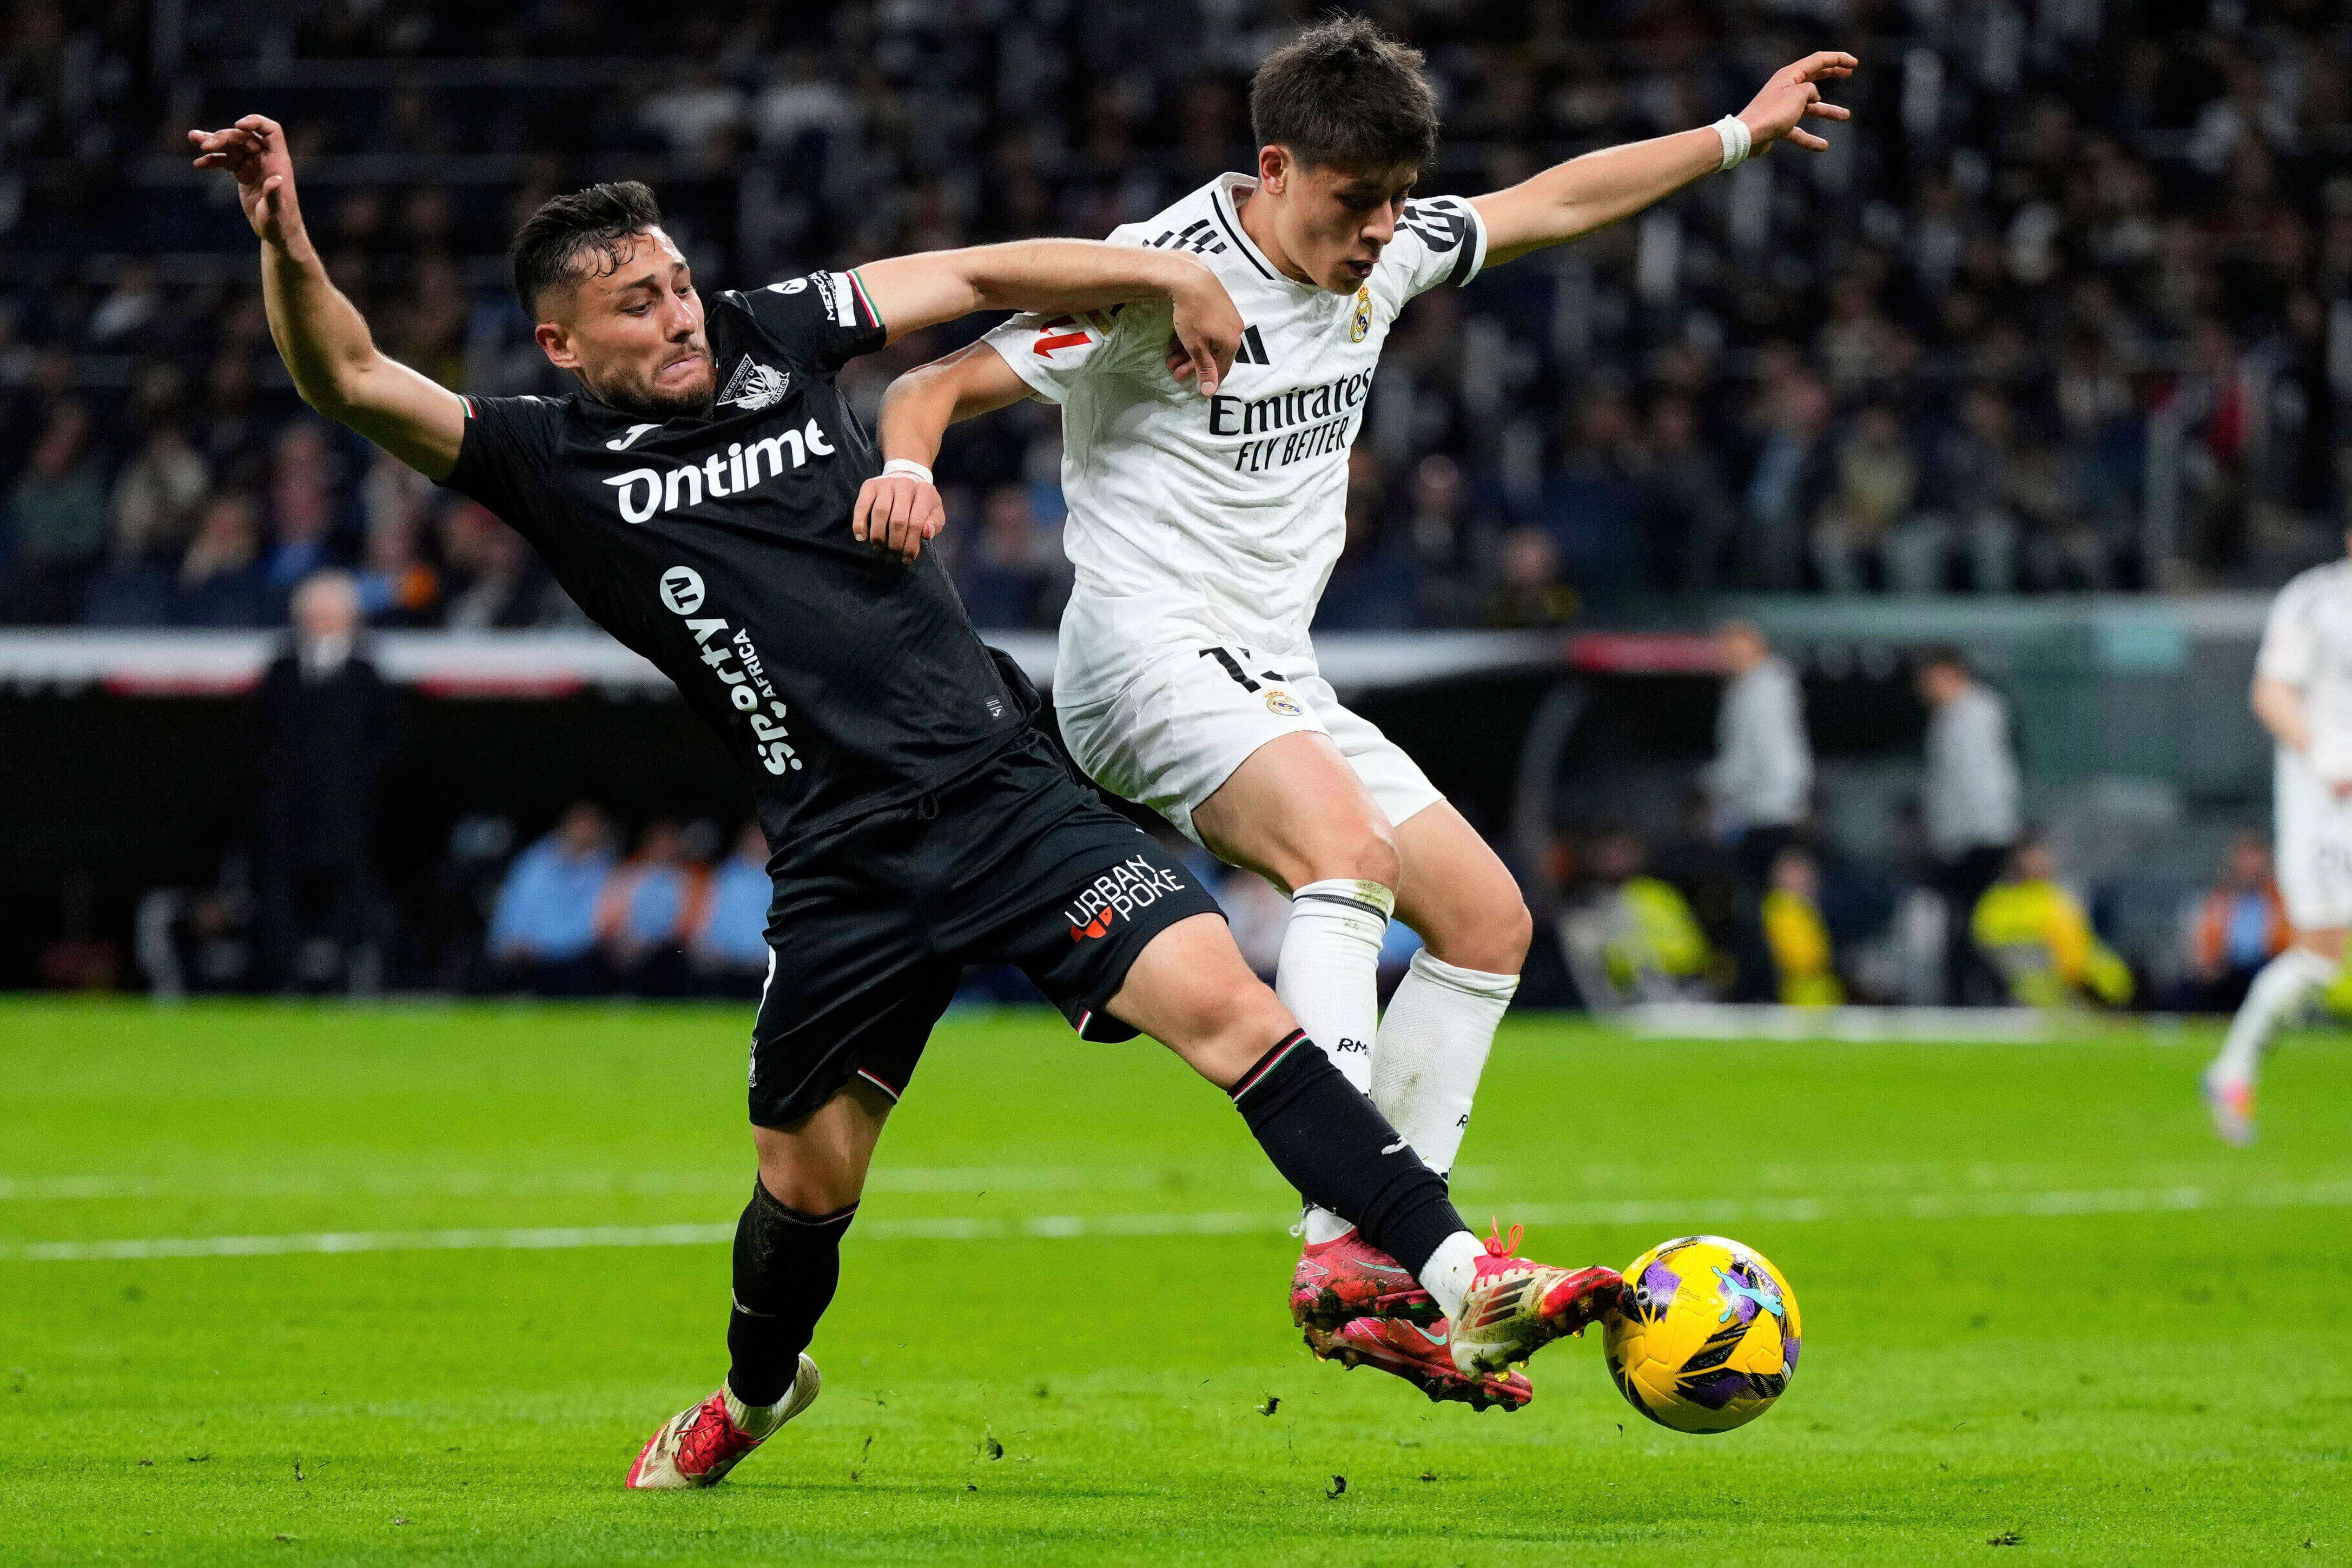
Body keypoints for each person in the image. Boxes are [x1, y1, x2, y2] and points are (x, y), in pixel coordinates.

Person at [193, 114, 1622, 1489]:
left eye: (678, 282)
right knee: (804, 1183)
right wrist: (285, 238)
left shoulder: (774, 330)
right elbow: (353, 378)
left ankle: (1461, 1274)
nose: (681, 315)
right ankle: (756, 1391)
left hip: (1006, 792)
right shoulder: (545, 460)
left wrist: (1164, 273)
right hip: (841, 860)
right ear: (562, 342)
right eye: (638, 304)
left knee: (1235, 1013)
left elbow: (981, 273)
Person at [865, 18, 1851, 1400]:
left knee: (1487, 918)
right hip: (1140, 652)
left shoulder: (1382, 248)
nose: (1381, 231)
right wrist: (908, 472)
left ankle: (1378, 1261)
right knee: (1347, 854)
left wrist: (1736, 134)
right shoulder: (1156, 274)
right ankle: (1352, 1239)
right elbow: (928, 383)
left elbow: (1550, 202)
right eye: (1353, 203)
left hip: (1273, 666)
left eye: (1397, 201)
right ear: (1274, 168)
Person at [2203, 539, 2352, 1144]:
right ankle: (2232, 1072)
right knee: (2319, 955)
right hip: (2326, 808)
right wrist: (2321, 754)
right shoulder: (2315, 600)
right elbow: (2270, 692)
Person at [251, 569, 401, 991]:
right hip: (287, 822)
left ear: (351, 618)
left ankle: (347, 986)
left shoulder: (369, 676)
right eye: (313, 614)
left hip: (351, 823)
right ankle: (282, 988)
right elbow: (258, 742)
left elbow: (386, 748)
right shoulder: (280, 673)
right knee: (280, 910)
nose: (320, 623)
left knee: (349, 910)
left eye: (330, 614)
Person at [1703, 619, 1813, 1000]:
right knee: (1757, 906)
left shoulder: (1762, 688)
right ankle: (1759, 987)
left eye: (1733, 643)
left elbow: (1761, 758)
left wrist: (1716, 786)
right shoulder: (1757, 687)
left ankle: (1761, 990)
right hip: (1765, 809)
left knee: (1756, 906)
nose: (1725, 653)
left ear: (1756, 644)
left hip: (1767, 812)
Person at [1916, 646, 2021, 1005]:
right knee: (1961, 924)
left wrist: (1964, 836)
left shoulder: (1974, 715)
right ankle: (1966, 995)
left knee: (1972, 925)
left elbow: (1979, 782)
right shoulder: (1952, 717)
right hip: (1969, 834)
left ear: (1951, 673)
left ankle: (1986, 994)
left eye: (1929, 679)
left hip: (1978, 836)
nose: (1924, 689)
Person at [1970, 836, 2133, 1010]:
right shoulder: (2049, 902)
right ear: (2019, 860)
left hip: (2026, 996)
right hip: (2067, 995)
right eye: (2036, 857)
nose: (2044, 861)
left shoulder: (1994, 902)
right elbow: (2073, 963)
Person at [487, 802, 617, 993]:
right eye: (580, 825)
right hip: (528, 956)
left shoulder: (606, 869)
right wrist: (509, 940)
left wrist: (547, 947)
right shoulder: (534, 862)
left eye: (590, 827)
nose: (584, 832)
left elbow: (595, 925)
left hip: (575, 958)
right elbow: (513, 908)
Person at [2182, 830, 2287, 1013]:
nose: (2250, 865)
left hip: (2266, 967)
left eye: (2255, 858)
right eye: (2245, 858)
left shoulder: (2279, 900)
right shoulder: (2219, 899)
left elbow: (2287, 943)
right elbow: (2205, 946)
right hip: (2229, 972)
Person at [1761, 845, 1844, 1007]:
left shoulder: (1805, 909)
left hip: (1816, 996)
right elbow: (1805, 959)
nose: (1809, 879)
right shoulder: (1783, 908)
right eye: (1800, 873)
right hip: (1799, 998)